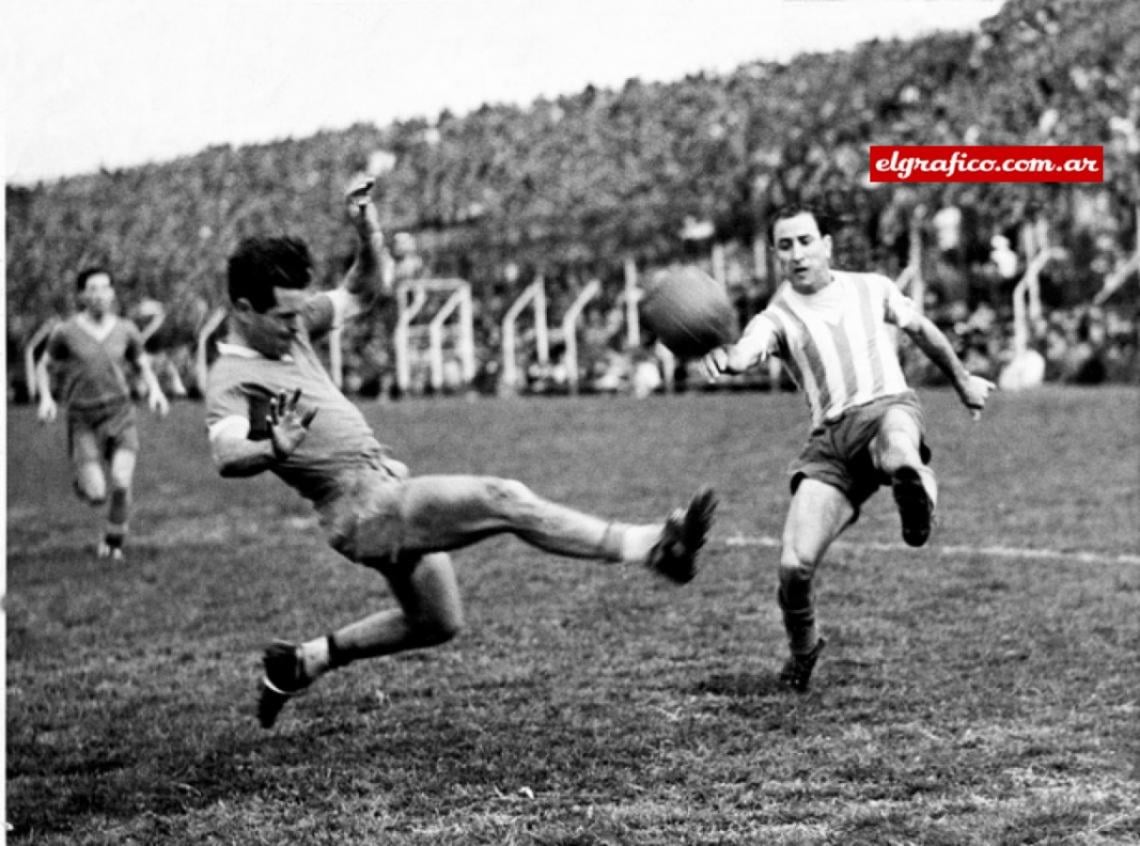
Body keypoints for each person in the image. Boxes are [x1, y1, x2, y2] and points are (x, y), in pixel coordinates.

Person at [205, 178, 717, 729]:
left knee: (436, 622)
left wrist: (366, 229)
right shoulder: (231, 377)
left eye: (297, 313)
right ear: (241, 308)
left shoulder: (292, 323)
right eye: (282, 318)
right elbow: (227, 451)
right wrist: (268, 445)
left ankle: (303, 660)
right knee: (503, 498)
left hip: (383, 486)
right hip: (362, 511)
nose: (294, 325)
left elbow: (362, 291)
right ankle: (651, 548)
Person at [702, 203, 995, 692]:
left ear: (826, 245)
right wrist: (725, 358)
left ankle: (916, 498)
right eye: (786, 245)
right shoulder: (776, 317)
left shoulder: (871, 287)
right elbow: (746, 351)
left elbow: (921, 329)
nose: (797, 253)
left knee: (899, 446)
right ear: (776, 255)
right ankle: (804, 648)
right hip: (831, 444)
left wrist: (962, 381)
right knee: (794, 567)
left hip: (886, 407)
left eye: (805, 241)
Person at [36, 267, 171, 559]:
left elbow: (142, 364)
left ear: (112, 293)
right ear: (82, 295)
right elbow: (43, 365)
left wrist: (156, 391)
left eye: (105, 288)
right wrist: (46, 398)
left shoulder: (126, 329)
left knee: (122, 483)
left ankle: (113, 540)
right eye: (92, 289)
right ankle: (83, 480)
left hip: (119, 414)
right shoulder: (65, 332)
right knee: (97, 494)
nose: (99, 295)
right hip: (82, 418)